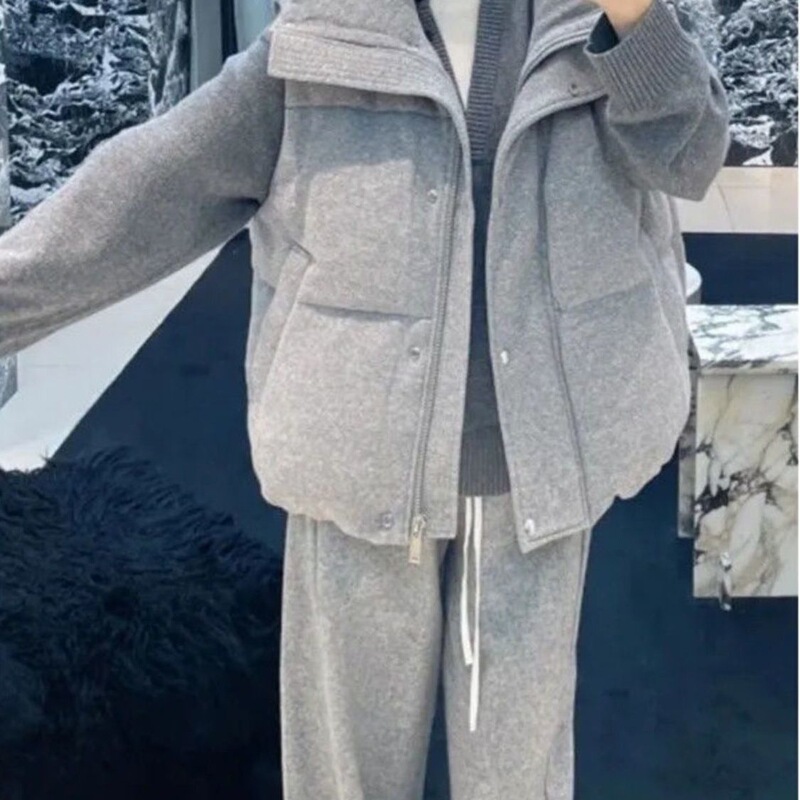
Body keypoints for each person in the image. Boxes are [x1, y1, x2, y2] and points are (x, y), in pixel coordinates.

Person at [0, 0, 730, 796]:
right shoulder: (321, 38)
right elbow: (144, 189)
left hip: (537, 466)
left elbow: (693, 155)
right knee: (345, 771)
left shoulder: (585, 21)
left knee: (519, 773)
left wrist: (633, 21)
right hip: (359, 462)